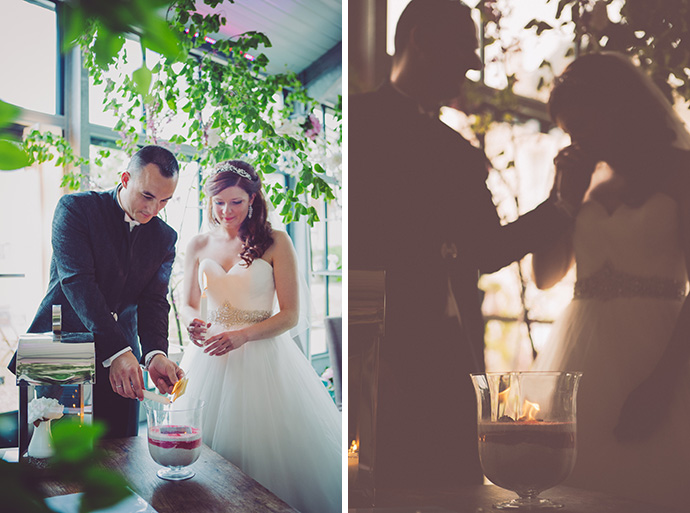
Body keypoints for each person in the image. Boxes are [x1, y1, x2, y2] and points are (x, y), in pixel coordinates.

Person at [349, 0, 592, 490]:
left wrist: (561, 206)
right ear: (420, 40)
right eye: (464, 50)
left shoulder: (459, 153)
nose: (469, 66)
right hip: (376, 350)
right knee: (384, 486)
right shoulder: (356, 122)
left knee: (457, 481)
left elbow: (487, 250)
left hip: (452, 358)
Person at [530, 51, 690, 508]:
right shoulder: (581, 178)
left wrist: (662, 384)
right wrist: (564, 198)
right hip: (581, 352)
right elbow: (545, 276)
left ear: (618, 110)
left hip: (661, 351)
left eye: (582, 124)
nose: (576, 140)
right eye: (567, 131)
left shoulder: (681, 170)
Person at [178, 160, 341, 513]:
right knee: (205, 450)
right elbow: (188, 302)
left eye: (236, 202)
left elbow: (290, 315)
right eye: (219, 202)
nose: (226, 211)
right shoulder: (198, 244)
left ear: (253, 198)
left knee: (264, 453)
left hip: (262, 353)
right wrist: (193, 321)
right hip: (210, 354)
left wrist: (243, 336)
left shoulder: (276, 241)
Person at [10, 145, 184, 439]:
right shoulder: (75, 209)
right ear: (126, 178)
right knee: (51, 453)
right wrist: (117, 350)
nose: (153, 210)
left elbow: (154, 300)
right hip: (62, 345)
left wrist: (155, 354)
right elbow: (77, 281)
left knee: (120, 452)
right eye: (147, 196)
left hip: (126, 357)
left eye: (164, 201)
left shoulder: (165, 237)